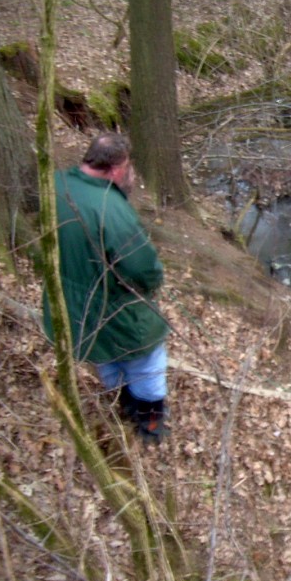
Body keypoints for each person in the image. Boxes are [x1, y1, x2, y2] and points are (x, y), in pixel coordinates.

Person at [42, 133, 171, 442]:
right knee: (148, 359)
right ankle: (150, 422)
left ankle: (120, 401)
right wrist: (151, 287)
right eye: (129, 167)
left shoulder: (55, 184)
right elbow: (144, 270)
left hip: (70, 308)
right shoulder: (111, 209)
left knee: (102, 354)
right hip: (114, 309)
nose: (131, 174)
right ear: (115, 169)